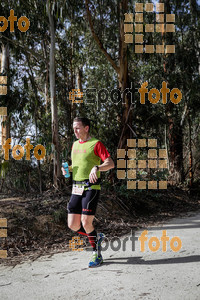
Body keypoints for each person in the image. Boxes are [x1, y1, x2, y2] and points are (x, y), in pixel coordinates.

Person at [62, 117, 114, 267]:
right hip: (76, 188)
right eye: (74, 128)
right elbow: (77, 164)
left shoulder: (96, 144)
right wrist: (68, 169)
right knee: (72, 225)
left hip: (91, 187)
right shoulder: (74, 145)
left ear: (86, 128)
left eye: (78, 128)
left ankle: (96, 253)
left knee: (86, 222)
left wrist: (97, 167)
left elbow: (110, 163)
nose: (75, 131)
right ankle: (96, 237)